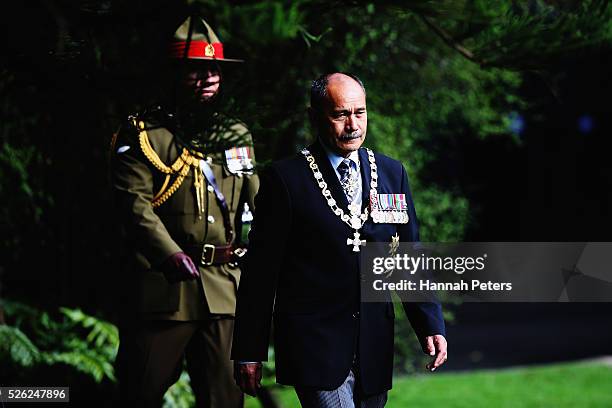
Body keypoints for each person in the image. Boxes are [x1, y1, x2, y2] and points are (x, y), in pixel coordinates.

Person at [231, 72, 447, 407]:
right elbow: (261, 272)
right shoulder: (285, 179)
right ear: (314, 117)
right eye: (340, 114)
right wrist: (248, 349)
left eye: (360, 113)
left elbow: (408, 256)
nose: (353, 125)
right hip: (314, 345)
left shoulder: (392, 174)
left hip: (374, 344)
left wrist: (430, 324)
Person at [111, 15, 258, 408]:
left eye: (215, 70)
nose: (209, 77)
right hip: (165, 288)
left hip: (224, 289)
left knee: (226, 400)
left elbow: (255, 201)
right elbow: (133, 201)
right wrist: (167, 252)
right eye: (197, 69)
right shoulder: (145, 135)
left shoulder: (236, 135)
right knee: (138, 393)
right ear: (174, 74)